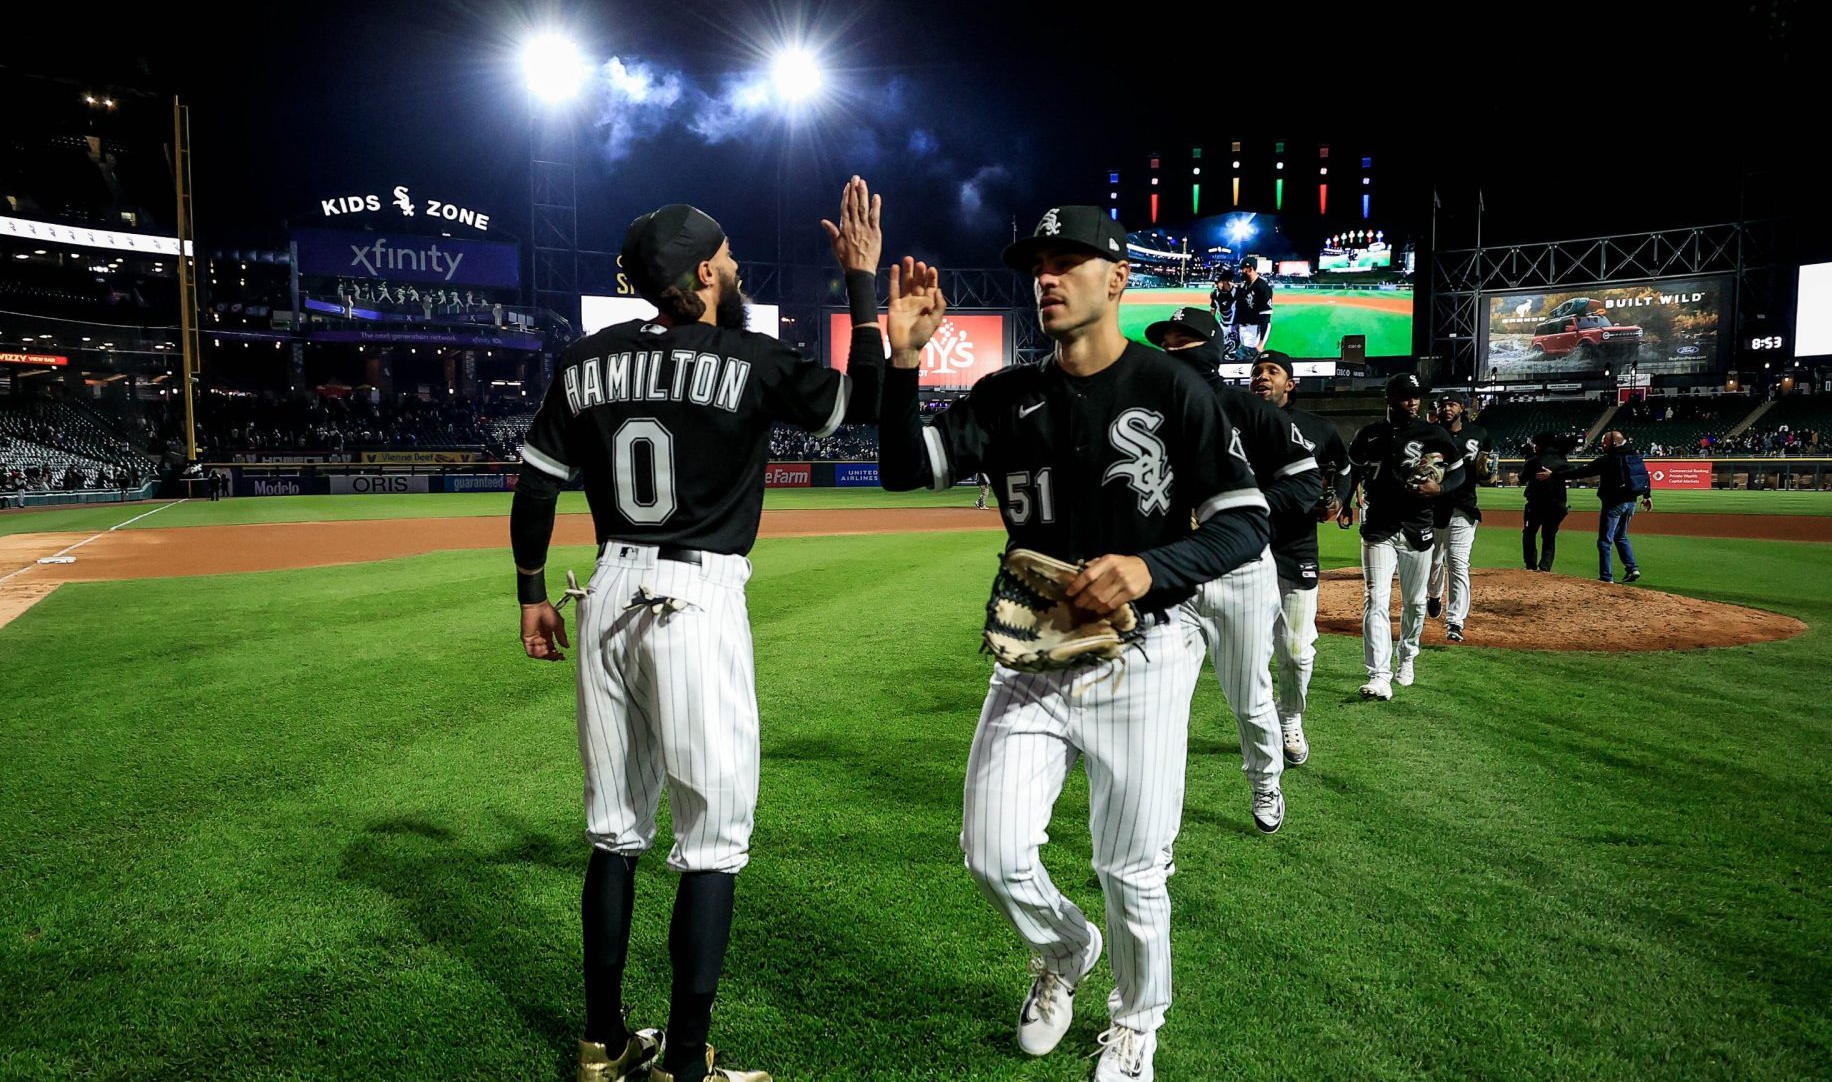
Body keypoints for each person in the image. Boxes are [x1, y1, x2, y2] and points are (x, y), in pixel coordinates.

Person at [878, 205, 1270, 1082]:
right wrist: (903, 362)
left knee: (1130, 866)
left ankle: (1139, 1022)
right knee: (992, 852)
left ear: (1117, 278)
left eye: (1068, 261)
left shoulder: (1175, 390)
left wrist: (1147, 567)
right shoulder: (1006, 396)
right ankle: (1064, 950)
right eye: (1039, 265)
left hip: (1148, 652)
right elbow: (907, 468)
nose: (1046, 278)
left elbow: (1246, 527)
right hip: (1034, 654)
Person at [510, 178, 887, 1082]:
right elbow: (860, 407)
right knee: (711, 841)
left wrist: (531, 593)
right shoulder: (749, 357)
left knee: (612, 831)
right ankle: (687, 1062)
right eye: (727, 257)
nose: (736, 267)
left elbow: (534, 485)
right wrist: (862, 291)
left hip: (603, 591)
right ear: (709, 273)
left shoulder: (584, 358)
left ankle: (602, 1044)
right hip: (694, 598)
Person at [1144, 306, 1321, 832]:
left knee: (1249, 700)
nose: (1172, 347)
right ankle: (1156, 834)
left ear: (1209, 347)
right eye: (1166, 339)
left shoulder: (1249, 409)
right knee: (1160, 710)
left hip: (1241, 575)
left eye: (1184, 339)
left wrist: (1238, 506)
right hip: (1172, 577)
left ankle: (1266, 784)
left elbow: (1305, 482)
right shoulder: (1144, 410)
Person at [1250, 351, 1350, 765]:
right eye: (1256, 371)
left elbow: (1344, 470)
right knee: (1249, 652)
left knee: (1295, 650)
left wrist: (1339, 501)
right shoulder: (1231, 422)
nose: (1262, 376)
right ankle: (1257, 723)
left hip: (1296, 546)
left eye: (1272, 371)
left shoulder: (1317, 428)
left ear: (1290, 384)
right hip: (1244, 547)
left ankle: (1290, 716)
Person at [1345, 374, 1463, 699]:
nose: (1413, 402)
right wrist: (1344, 503)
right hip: (1378, 527)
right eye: (1406, 396)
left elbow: (1459, 471)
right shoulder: (1369, 435)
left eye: (1417, 396)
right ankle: (1379, 675)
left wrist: (1440, 487)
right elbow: (1352, 470)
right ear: (1390, 397)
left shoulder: (1434, 433)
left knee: (1413, 602)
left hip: (1417, 526)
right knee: (1376, 599)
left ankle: (1408, 655)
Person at [1548, 430, 1652, 583]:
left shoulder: (1608, 460)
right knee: (1621, 536)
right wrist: (1647, 496)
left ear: (1614, 443)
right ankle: (1632, 568)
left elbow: (1582, 472)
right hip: (1631, 503)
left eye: (1605, 442)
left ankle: (1606, 577)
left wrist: (1554, 475)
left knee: (1604, 541)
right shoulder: (1634, 456)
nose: (1602, 445)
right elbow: (1643, 476)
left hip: (1614, 504)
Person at [1423, 392, 1484, 644]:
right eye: (1443, 404)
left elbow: (1486, 469)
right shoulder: (1428, 434)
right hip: (1432, 508)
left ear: (1461, 407)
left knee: (1458, 564)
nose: (1447, 408)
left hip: (1464, 507)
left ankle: (1455, 621)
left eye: (1452, 404)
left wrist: (1487, 473)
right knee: (1433, 562)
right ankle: (1434, 594)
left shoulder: (1479, 434)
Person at [1520, 433, 1573, 571]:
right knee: (1549, 537)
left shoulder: (1534, 460)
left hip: (1535, 504)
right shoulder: (1562, 460)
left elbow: (1521, 478)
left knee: (1529, 534)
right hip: (1557, 504)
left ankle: (1530, 565)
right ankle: (1545, 566)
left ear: (1539, 445)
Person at [1232, 259, 1274, 355]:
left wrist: (1261, 343)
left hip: (1255, 329)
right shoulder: (1244, 286)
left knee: (1250, 357)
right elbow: (1239, 307)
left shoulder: (1263, 287)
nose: (1241, 272)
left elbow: (1265, 317)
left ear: (1250, 269)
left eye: (1243, 269)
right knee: (1242, 356)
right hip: (1242, 328)